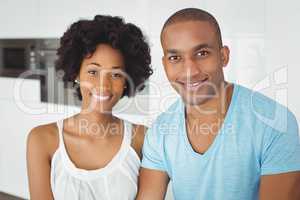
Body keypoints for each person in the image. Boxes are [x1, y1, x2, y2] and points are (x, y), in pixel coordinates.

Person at [136, 8, 300, 200]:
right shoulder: (159, 132)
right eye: (175, 58)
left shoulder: (274, 122)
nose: (190, 70)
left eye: (202, 53)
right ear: (164, 65)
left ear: (224, 56)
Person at [27, 15, 152, 200]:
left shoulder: (143, 139)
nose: (103, 85)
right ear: (76, 73)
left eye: (116, 74)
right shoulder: (42, 140)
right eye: (93, 72)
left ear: (127, 80)